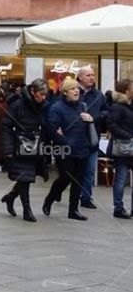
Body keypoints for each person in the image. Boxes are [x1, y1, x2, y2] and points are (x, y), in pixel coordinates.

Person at [42, 76, 95, 220]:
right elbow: (52, 129)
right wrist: (65, 142)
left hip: (82, 148)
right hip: (65, 150)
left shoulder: (82, 106)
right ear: (65, 92)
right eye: (72, 89)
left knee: (78, 180)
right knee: (65, 178)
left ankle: (73, 210)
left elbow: (88, 125)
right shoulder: (57, 108)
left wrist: (91, 120)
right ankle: (50, 199)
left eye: (77, 88)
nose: (76, 91)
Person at [0, 78, 49, 221]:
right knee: (25, 178)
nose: (44, 97)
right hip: (19, 146)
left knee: (26, 177)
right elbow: (6, 126)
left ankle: (10, 197)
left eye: (45, 95)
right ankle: (27, 210)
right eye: (41, 94)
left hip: (35, 146)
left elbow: (45, 126)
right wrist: (8, 149)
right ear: (33, 92)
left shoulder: (44, 105)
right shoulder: (17, 104)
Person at [76, 65, 105, 209]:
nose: (92, 78)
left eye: (93, 75)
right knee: (72, 170)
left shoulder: (99, 95)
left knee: (89, 170)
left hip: (92, 137)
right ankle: (66, 193)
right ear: (80, 77)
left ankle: (86, 197)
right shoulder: (73, 92)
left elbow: (107, 113)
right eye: (88, 75)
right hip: (74, 138)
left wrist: (94, 117)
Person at [107, 78, 133, 219]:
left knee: (122, 179)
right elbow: (111, 125)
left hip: (131, 147)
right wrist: (128, 136)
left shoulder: (130, 104)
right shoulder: (117, 106)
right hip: (122, 148)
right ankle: (118, 208)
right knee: (121, 179)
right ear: (126, 90)